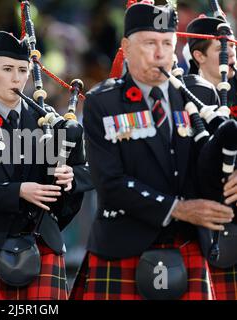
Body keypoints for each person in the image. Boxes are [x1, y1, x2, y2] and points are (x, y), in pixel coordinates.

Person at [70, 2, 234, 300]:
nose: (160, 53)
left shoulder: (196, 95)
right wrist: (178, 208)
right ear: (126, 47)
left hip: (188, 245)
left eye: (167, 44)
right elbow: (109, 183)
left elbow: (207, 169)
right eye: (149, 43)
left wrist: (231, 170)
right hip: (122, 247)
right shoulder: (103, 103)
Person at [0, 31, 91, 300]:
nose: (16, 77)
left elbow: (84, 173)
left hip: (41, 242)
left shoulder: (51, 124)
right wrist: (18, 191)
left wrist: (69, 178)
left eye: (23, 70)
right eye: (8, 69)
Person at [185, 14, 237, 300]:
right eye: (222, 50)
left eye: (233, 49)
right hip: (203, 226)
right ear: (198, 55)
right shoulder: (184, 92)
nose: (230, 57)